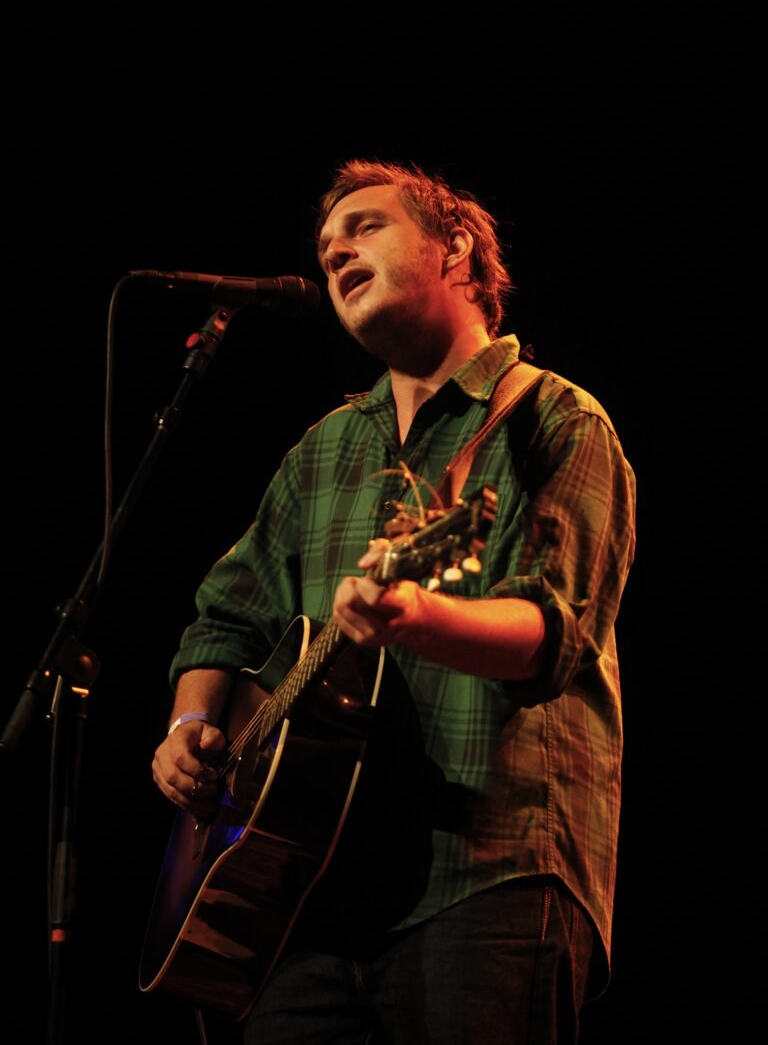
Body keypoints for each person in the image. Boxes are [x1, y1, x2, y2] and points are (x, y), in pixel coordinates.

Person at [150, 159, 637, 1044]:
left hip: (486, 871)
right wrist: (189, 731)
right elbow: (223, 617)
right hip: (305, 903)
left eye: (366, 227)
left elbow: (550, 634)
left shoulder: (555, 420)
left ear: (456, 248)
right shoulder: (322, 450)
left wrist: (413, 616)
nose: (336, 251)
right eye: (327, 244)